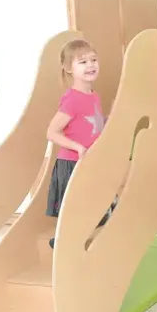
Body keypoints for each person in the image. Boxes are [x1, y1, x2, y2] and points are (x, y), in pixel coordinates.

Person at [45, 39, 112, 248]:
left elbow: (91, 124)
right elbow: (52, 132)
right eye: (83, 62)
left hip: (89, 162)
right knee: (75, 212)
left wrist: (109, 120)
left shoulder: (93, 96)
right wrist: (78, 147)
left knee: (96, 210)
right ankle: (62, 244)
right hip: (72, 164)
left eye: (93, 60)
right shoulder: (72, 99)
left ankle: (72, 244)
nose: (90, 65)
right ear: (68, 68)